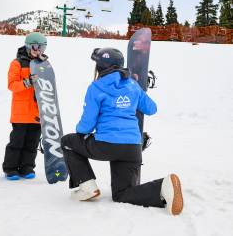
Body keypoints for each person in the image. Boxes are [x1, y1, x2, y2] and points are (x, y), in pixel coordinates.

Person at [61, 47, 184, 216]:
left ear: (100, 68)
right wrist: (140, 88)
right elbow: (151, 108)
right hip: (133, 147)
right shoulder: (132, 85)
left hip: (106, 145)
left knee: (68, 142)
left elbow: (87, 124)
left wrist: (80, 134)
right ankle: (163, 187)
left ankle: (87, 187)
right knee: (122, 194)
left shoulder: (96, 87)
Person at [2, 32, 47, 180]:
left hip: (37, 112)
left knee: (32, 143)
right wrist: (27, 82)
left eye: (42, 48)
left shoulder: (44, 64)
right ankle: (11, 168)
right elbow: (12, 85)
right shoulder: (17, 63)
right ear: (28, 46)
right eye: (36, 47)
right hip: (21, 113)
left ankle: (27, 167)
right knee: (17, 142)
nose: (38, 51)